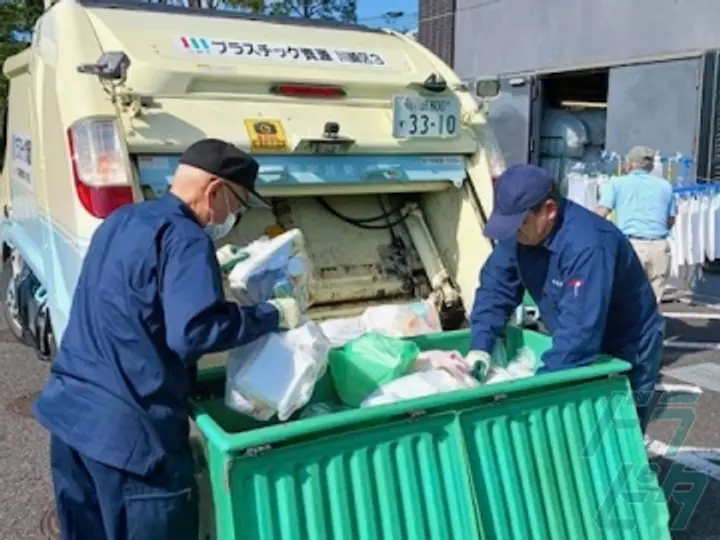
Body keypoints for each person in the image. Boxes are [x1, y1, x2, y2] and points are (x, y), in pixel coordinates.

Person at [32, 138, 302, 540]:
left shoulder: (123, 221)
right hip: (132, 439)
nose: (234, 216)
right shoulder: (188, 240)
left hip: (72, 423)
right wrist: (271, 314)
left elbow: (135, 297)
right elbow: (195, 332)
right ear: (215, 190)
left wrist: (209, 270)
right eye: (238, 204)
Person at [468, 164, 664, 432]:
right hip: (576, 335)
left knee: (616, 435)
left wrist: (537, 389)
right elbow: (495, 288)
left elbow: (580, 329)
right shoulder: (520, 237)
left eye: (521, 223)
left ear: (549, 210)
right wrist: (480, 344)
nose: (514, 232)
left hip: (627, 345)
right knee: (572, 431)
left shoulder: (589, 244)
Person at [595, 145, 677, 303]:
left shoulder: (616, 184)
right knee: (653, 299)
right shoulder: (666, 186)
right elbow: (670, 220)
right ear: (651, 166)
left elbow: (601, 213)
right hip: (659, 246)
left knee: (626, 297)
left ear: (630, 164)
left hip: (632, 245)